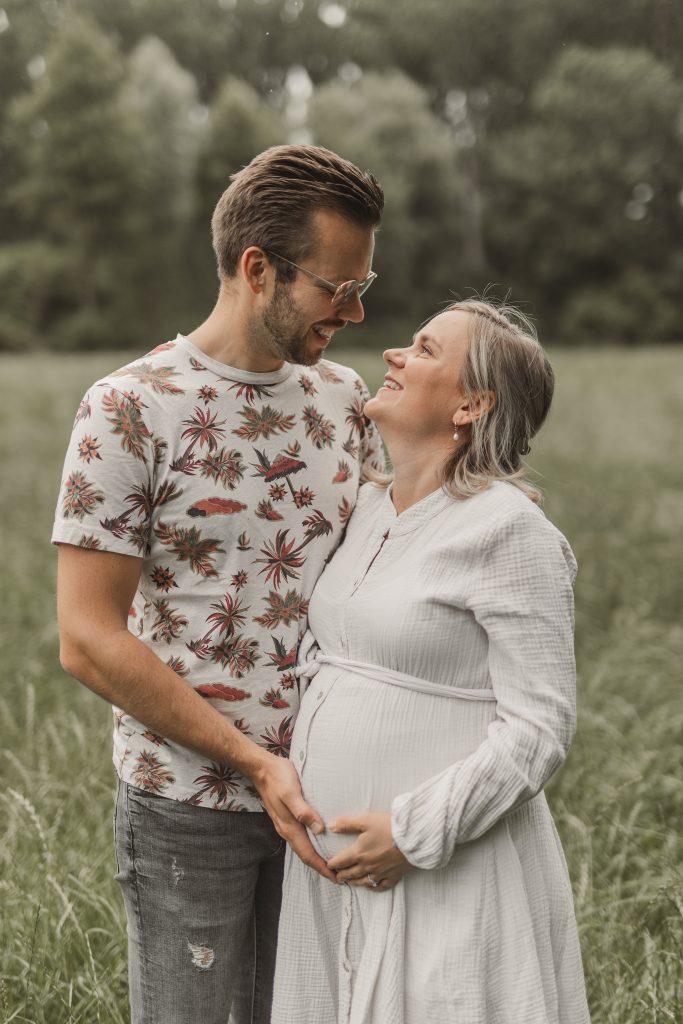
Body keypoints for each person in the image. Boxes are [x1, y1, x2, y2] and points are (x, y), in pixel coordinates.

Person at [51, 144, 385, 1024]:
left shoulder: (344, 400)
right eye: (335, 287)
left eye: (364, 286)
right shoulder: (127, 408)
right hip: (187, 810)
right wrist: (254, 764)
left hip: (330, 799)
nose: (352, 312)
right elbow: (87, 638)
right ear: (256, 268)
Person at [271, 299, 591, 1024]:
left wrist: (413, 835)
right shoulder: (366, 511)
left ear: (472, 404)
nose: (392, 356)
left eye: (421, 349)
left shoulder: (509, 531)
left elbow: (539, 727)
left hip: (445, 868)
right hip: (332, 876)